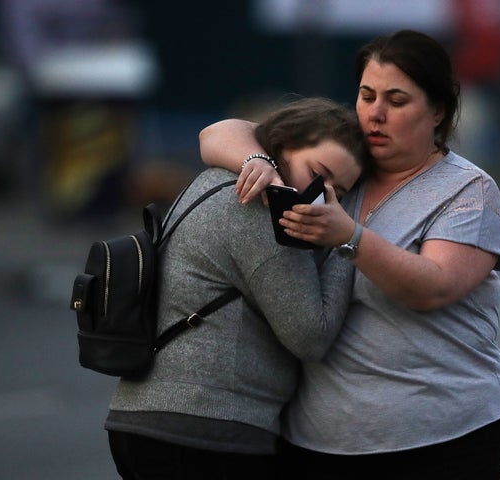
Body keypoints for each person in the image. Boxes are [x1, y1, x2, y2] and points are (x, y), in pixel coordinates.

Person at [198, 29, 500, 479]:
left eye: (397, 101)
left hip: (444, 437)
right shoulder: (344, 164)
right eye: (367, 96)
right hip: (316, 442)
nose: (375, 114)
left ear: (438, 111)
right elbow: (220, 132)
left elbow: (434, 286)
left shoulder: (468, 189)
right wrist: (259, 162)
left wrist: (350, 237)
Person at [104, 97, 368, 479]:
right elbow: (311, 335)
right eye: (317, 172)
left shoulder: (216, 178)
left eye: (339, 193)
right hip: (203, 432)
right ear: (283, 145)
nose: (323, 196)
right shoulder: (263, 211)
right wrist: (351, 236)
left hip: (149, 417)